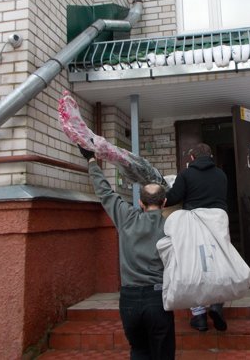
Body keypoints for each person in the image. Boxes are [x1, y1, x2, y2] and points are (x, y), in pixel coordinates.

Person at [78, 145, 175, 360]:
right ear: (164, 202)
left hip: (129, 300)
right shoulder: (171, 225)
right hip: (158, 298)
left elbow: (105, 192)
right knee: (163, 354)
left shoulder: (126, 218)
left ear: (140, 202)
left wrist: (91, 160)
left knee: (138, 351)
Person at [165, 142, 228, 332]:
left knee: (195, 266)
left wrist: (161, 197)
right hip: (218, 223)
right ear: (210, 157)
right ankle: (216, 304)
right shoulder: (221, 174)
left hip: (194, 224)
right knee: (219, 264)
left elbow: (174, 197)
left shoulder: (186, 174)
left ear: (192, 158)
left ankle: (199, 316)